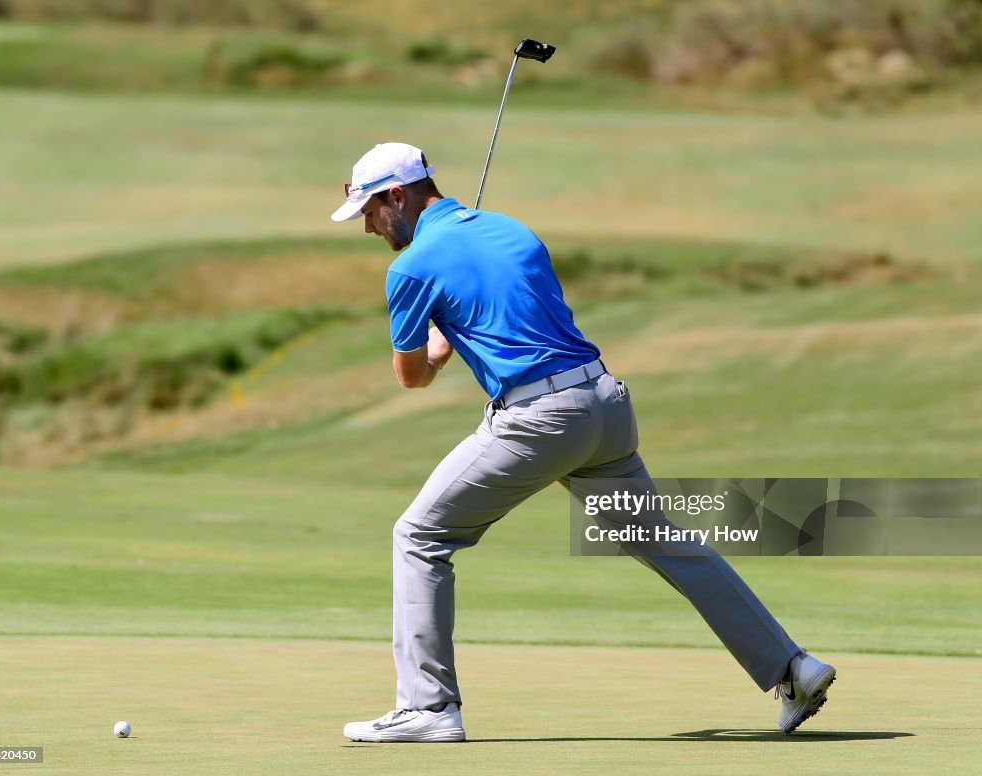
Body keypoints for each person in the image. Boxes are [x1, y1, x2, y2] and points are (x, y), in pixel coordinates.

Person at [330, 142, 835, 743]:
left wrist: (440, 346)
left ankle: (429, 708)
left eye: (368, 210)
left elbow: (410, 375)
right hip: (604, 406)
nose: (366, 225)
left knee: (419, 536)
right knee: (665, 543)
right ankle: (791, 667)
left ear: (396, 195)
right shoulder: (512, 229)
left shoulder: (410, 267)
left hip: (540, 420)